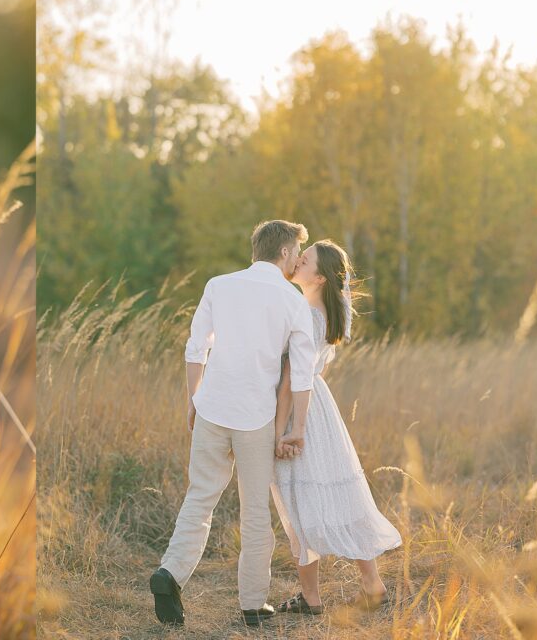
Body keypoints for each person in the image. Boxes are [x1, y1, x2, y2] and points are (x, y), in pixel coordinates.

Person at [150, 220, 316, 627]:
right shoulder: (293, 300)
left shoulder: (218, 285)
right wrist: (298, 428)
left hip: (212, 408)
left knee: (200, 497)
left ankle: (170, 573)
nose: (297, 259)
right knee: (256, 511)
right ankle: (252, 604)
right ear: (283, 253)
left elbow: (195, 347)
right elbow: (303, 372)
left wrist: (195, 400)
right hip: (255, 418)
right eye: (296, 252)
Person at [271, 239, 402, 616]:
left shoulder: (305, 314)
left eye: (305, 259)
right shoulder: (326, 315)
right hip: (320, 408)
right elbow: (317, 371)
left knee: (298, 498)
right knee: (339, 495)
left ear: (321, 277)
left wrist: (283, 430)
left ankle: (311, 598)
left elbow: (291, 377)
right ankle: (372, 585)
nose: (297, 261)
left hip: (300, 408)